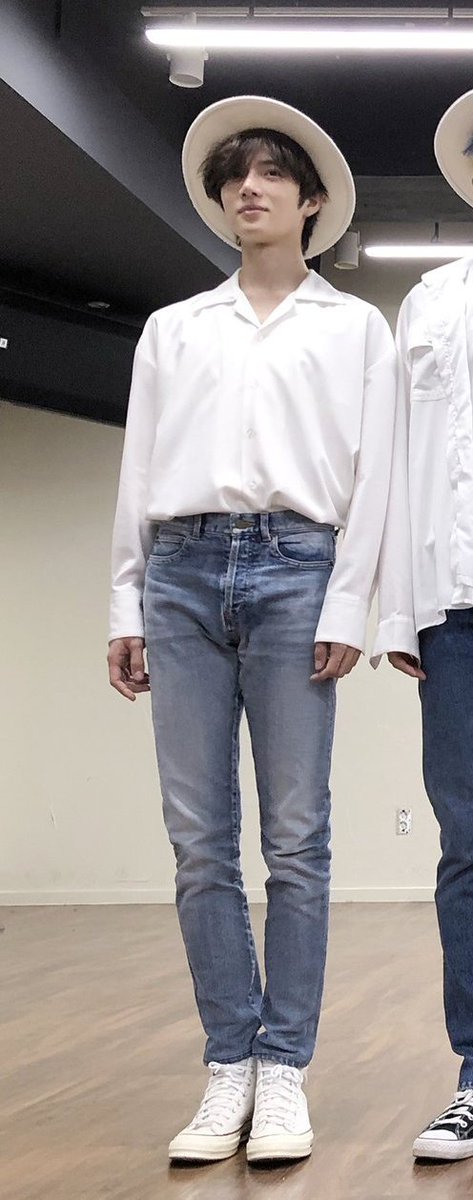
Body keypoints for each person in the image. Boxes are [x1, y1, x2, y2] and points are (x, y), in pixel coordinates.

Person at [107, 94, 415, 1165]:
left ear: (310, 200)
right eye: (233, 176)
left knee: (295, 838)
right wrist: (124, 602)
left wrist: (347, 604)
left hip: (298, 569)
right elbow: (138, 470)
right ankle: (226, 1062)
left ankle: (283, 1064)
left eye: (270, 173)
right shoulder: (174, 329)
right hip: (180, 573)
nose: (248, 188)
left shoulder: (355, 329)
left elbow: (374, 478)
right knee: (197, 838)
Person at [384, 89, 473, 1161]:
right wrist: (399, 610)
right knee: (467, 845)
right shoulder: (430, 301)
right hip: (456, 611)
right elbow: (405, 457)